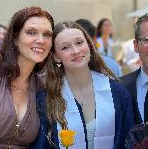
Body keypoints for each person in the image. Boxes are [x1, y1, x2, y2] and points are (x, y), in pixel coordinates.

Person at [31, 21, 134, 149]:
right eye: (65, 47)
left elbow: (129, 141)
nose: (75, 51)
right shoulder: (46, 99)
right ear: (56, 57)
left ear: (89, 45)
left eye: (79, 42)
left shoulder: (117, 93)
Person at [0, 6, 54, 148]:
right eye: (31, 32)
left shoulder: (41, 88)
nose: (41, 40)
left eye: (47, 35)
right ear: (15, 38)